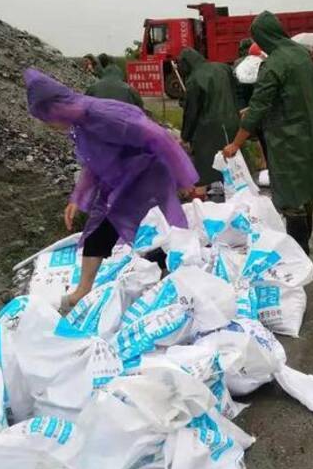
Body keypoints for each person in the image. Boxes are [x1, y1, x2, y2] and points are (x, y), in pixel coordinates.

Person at [24, 68, 198, 312]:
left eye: (46, 119)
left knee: (164, 228)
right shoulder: (82, 123)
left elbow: (160, 137)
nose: (49, 126)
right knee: (101, 226)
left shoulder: (104, 114)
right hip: (122, 180)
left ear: (55, 109)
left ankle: (182, 278)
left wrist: (184, 177)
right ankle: (83, 291)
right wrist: (78, 199)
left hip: (148, 175)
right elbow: (93, 165)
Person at [222, 11, 313, 254]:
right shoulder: (301, 55)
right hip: (310, 134)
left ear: (263, 36)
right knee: (306, 193)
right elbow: (289, 96)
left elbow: (258, 108)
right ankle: (305, 248)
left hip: (288, 140)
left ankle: (299, 253)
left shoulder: (274, 63)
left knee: (290, 197)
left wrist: (235, 144)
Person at [178, 48, 240, 199]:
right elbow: (236, 92)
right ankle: (234, 196)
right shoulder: (223, 68)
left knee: (205, 168)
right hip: (232, 122)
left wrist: (185, 136)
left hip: (208, 129)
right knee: (232, 164)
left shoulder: (194, 79)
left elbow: (192, 112)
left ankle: (203, 203)